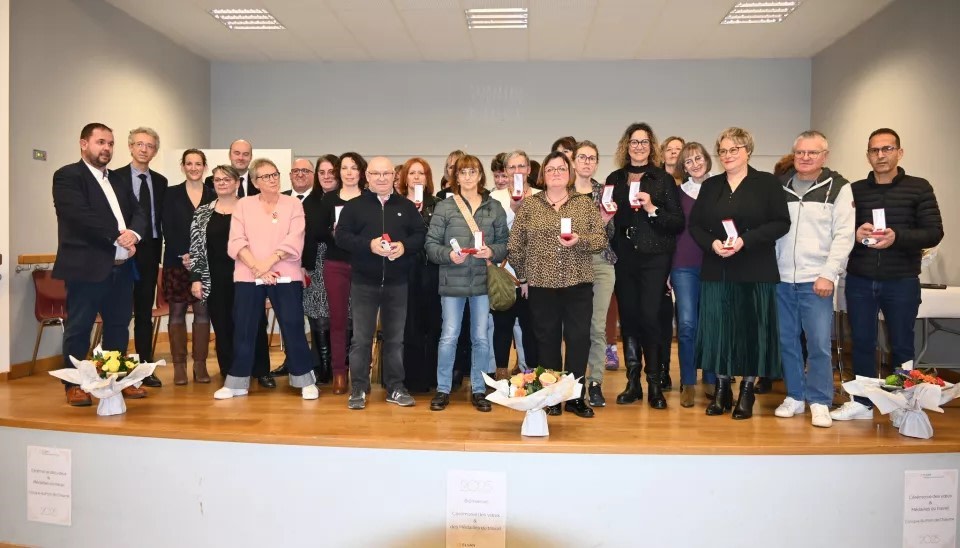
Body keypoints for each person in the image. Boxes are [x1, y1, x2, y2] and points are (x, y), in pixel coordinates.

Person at [831, 128, 944, 421]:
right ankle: (864, 403)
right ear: (868, 155)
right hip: (860, 278)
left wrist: (899, 237)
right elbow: (840, 229)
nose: (880, 155)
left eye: (887, 149)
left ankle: (904, 403)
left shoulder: (919, 187)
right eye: (874, 150)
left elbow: (934, 232)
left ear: (899, 152)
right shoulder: (854, 190)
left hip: (901, 279)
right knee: (863, 342)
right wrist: (856, 233)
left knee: (902, 343)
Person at [689, 127, 790, 419]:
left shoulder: (767, 183)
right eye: (722, 150)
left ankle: (747, 390)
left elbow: (781, 223)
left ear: (747, 151)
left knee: (750, 332)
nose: (727, 155)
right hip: (717, 268)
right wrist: (712, 243)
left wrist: (746, 240)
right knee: (719, 330)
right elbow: (695, 226)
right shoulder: (711, 186)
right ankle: (722, 389)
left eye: (734, 149)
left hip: (754, 268)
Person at [53, 122, 147, 405]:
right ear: (84, 144)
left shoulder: (117, 179)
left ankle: (116, 378)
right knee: (79, 328)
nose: (106, 148)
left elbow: (139, 210)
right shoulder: (68, 176)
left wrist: (135, 233)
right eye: (100, 142)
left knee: (118, 327)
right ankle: (74, 384)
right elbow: (78, 216)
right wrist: (118, 236)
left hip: (121, 268)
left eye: (110, 143)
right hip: (87, 267)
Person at [509, 151, 607, 418]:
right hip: (542, 285)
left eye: (561, 168)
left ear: (570, 172)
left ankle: (575, 398)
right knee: (547, 341)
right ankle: (551, 398)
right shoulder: (530, 205)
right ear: (543, 175)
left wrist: (579, 240)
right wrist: (524, 277)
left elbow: (600, 239)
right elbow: (515, 246)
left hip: (578, 284)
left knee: (578, 341)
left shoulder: (584, 204)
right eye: (550, 169)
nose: (556, 173)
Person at [214, 158, 319, 400]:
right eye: (265, 176)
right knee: (244, 327)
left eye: (275, 174)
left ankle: (304, 380)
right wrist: (257, 268)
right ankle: (237, 382)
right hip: (248, 274)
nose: (272, 179)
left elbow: (295, 238)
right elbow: (236, 241)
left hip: (285, 273)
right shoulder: (244, 205)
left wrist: (267, 263)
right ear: (254, 182)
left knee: (293, 325)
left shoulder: (293, 204)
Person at [773, 130, 855, 428]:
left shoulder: (839, 189)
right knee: (787, 341)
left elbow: (844, 236)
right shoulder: (779, 187)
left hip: (816, 281)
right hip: (781, 279)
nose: (805, 158)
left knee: (819, 343)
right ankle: (795, 395)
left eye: (812, 153)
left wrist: (828, 274)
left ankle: (820, 400)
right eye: (800, 153)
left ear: (825, 156)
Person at [335, 156, 426, 410]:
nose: (382, 178)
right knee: (361, 339)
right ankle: (358, 388)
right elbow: (341, 237)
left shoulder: (406, 207)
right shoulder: (354, 207)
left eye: (386, 174)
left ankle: (395, 387)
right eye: (376, 174)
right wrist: (369, 245)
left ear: (393, 177)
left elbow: (421, 235)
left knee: (395, 339)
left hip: (397, 284)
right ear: (368, 176)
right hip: (364, 283)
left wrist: (404, 247)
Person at [607, 122, 684, 410]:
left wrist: (652, 208)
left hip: (654, 258)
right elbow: (608, 222)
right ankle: (632, 383)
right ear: (625, 146)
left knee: (650, 317)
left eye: (644, 142)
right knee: (628, 319)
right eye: (633, 141)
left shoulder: (662, 179)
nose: (638, 146)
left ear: (652, 147)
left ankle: (654, 383)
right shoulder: (614, 178)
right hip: (624, 256)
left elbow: (677, 223)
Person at [425, 155, 508, 412]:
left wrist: (492, 252)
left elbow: (505, 244)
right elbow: (431, 245)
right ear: (456, 177)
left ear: (481, 175)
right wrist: (448, 255)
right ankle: (442, 389)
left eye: (473, 171)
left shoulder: (494, 207)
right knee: (449, 336)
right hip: (452, 281)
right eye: (463, 172)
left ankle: (479, 389)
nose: (468, 177)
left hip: (483, 282)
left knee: (481, 338)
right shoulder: (445, 207)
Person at [190, 166, 271, 381]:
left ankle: (261, 371)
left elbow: (264, 242)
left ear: (237, 183)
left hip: (248, 274)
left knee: (255, 322)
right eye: (217, 180)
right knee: (223, 324)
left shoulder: (252, 209)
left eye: (227, 179)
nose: (222, 183)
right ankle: (231, 372)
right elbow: (196, 248)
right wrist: (196, 279)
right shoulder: (202, 212)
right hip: (215, 277)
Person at [109, 127, 167, 387]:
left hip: (150, 250)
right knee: (116, 314)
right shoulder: (113, 178)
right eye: (140, 144)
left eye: (150, 146)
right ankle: (113, 371)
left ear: (155, 151)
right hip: (120, 249)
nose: (144, 149)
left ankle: (144, 369)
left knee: (144, 312)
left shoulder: (161, 181)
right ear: (130, 147)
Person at [269, 157, 330, 382]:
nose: (300, 174)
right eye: (296, 170)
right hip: (282, 267)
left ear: (312, 175)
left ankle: (317, 363)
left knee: (316, 318)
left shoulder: (322, 200)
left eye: (305, 170)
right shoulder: (278, 200)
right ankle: (292, 361)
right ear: (290, 174)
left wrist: (306, 264)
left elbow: (319, 236)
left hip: (313, 268)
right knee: (289, 317)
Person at [161, 149, 215, 384]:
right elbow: (167, 228)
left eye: (198, 163)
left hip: (205, 265)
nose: (194, 167)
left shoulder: (214, 195)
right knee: (176, 314)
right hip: (176, 261)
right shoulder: (170, 194)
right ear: (182, 166)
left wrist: (198, 257)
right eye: (189, 163)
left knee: (203, 315)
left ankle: (200, 365)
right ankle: (180, 367)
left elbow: (215, 232)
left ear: (205, 166)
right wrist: (184, 254)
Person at [316, 152, 366, 394]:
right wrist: (333, 231)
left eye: (353, 167)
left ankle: (359, 372)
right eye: (344, 167)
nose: (348, 172)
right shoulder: (328, 199)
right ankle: (339, 372)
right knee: (337, 320)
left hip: (365, 264)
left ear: (360, 171)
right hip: (335, 264)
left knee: (362, 321)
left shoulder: (369, 199)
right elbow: (317, 231)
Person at [572, 140, 617, 407]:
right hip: (571, 262)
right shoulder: (562, 192)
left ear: (597, 163)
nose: (587, 162)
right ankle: (574, 383)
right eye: (582, 157)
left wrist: (603, 222)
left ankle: (596, 382)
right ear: (574, 161)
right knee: (575, 327)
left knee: (597, 327)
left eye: (592, 158)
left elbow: (609, 234)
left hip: (601, 262)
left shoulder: (604, 192)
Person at [489, 151, 541, 378]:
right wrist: (513, 208)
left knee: (531, 328)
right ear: (506, 171)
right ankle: (500, 375)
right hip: (504, 273)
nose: (517, 171)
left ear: (529, 169)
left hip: (536, 273)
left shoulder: (542, 196)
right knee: (501, 326)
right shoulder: (495, 197)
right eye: (512, 167)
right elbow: (492, 232)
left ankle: (531, 375)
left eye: (522, 166)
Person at [671, 142, 714, 407]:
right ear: (683, 167)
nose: (695, 164)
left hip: (714, 264)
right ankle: (688, 381)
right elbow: (671, 232)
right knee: (687, 325)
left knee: (711, 324)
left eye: (698, 158)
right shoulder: (677, 194)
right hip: (683, 265)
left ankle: (710, 377)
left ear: (707, 160)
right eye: (688, 161)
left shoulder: (721, 188)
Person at [396, 157, 441, 393]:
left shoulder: (438, 204)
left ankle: (433, 377)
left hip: (433, 271)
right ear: (405, 178)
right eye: (411, 173)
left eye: (421, 173)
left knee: (433, 325)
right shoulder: (397, 204)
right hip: (405, 271)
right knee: (408, 325)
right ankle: (411, 379)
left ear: (427, 178)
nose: (416, 177)